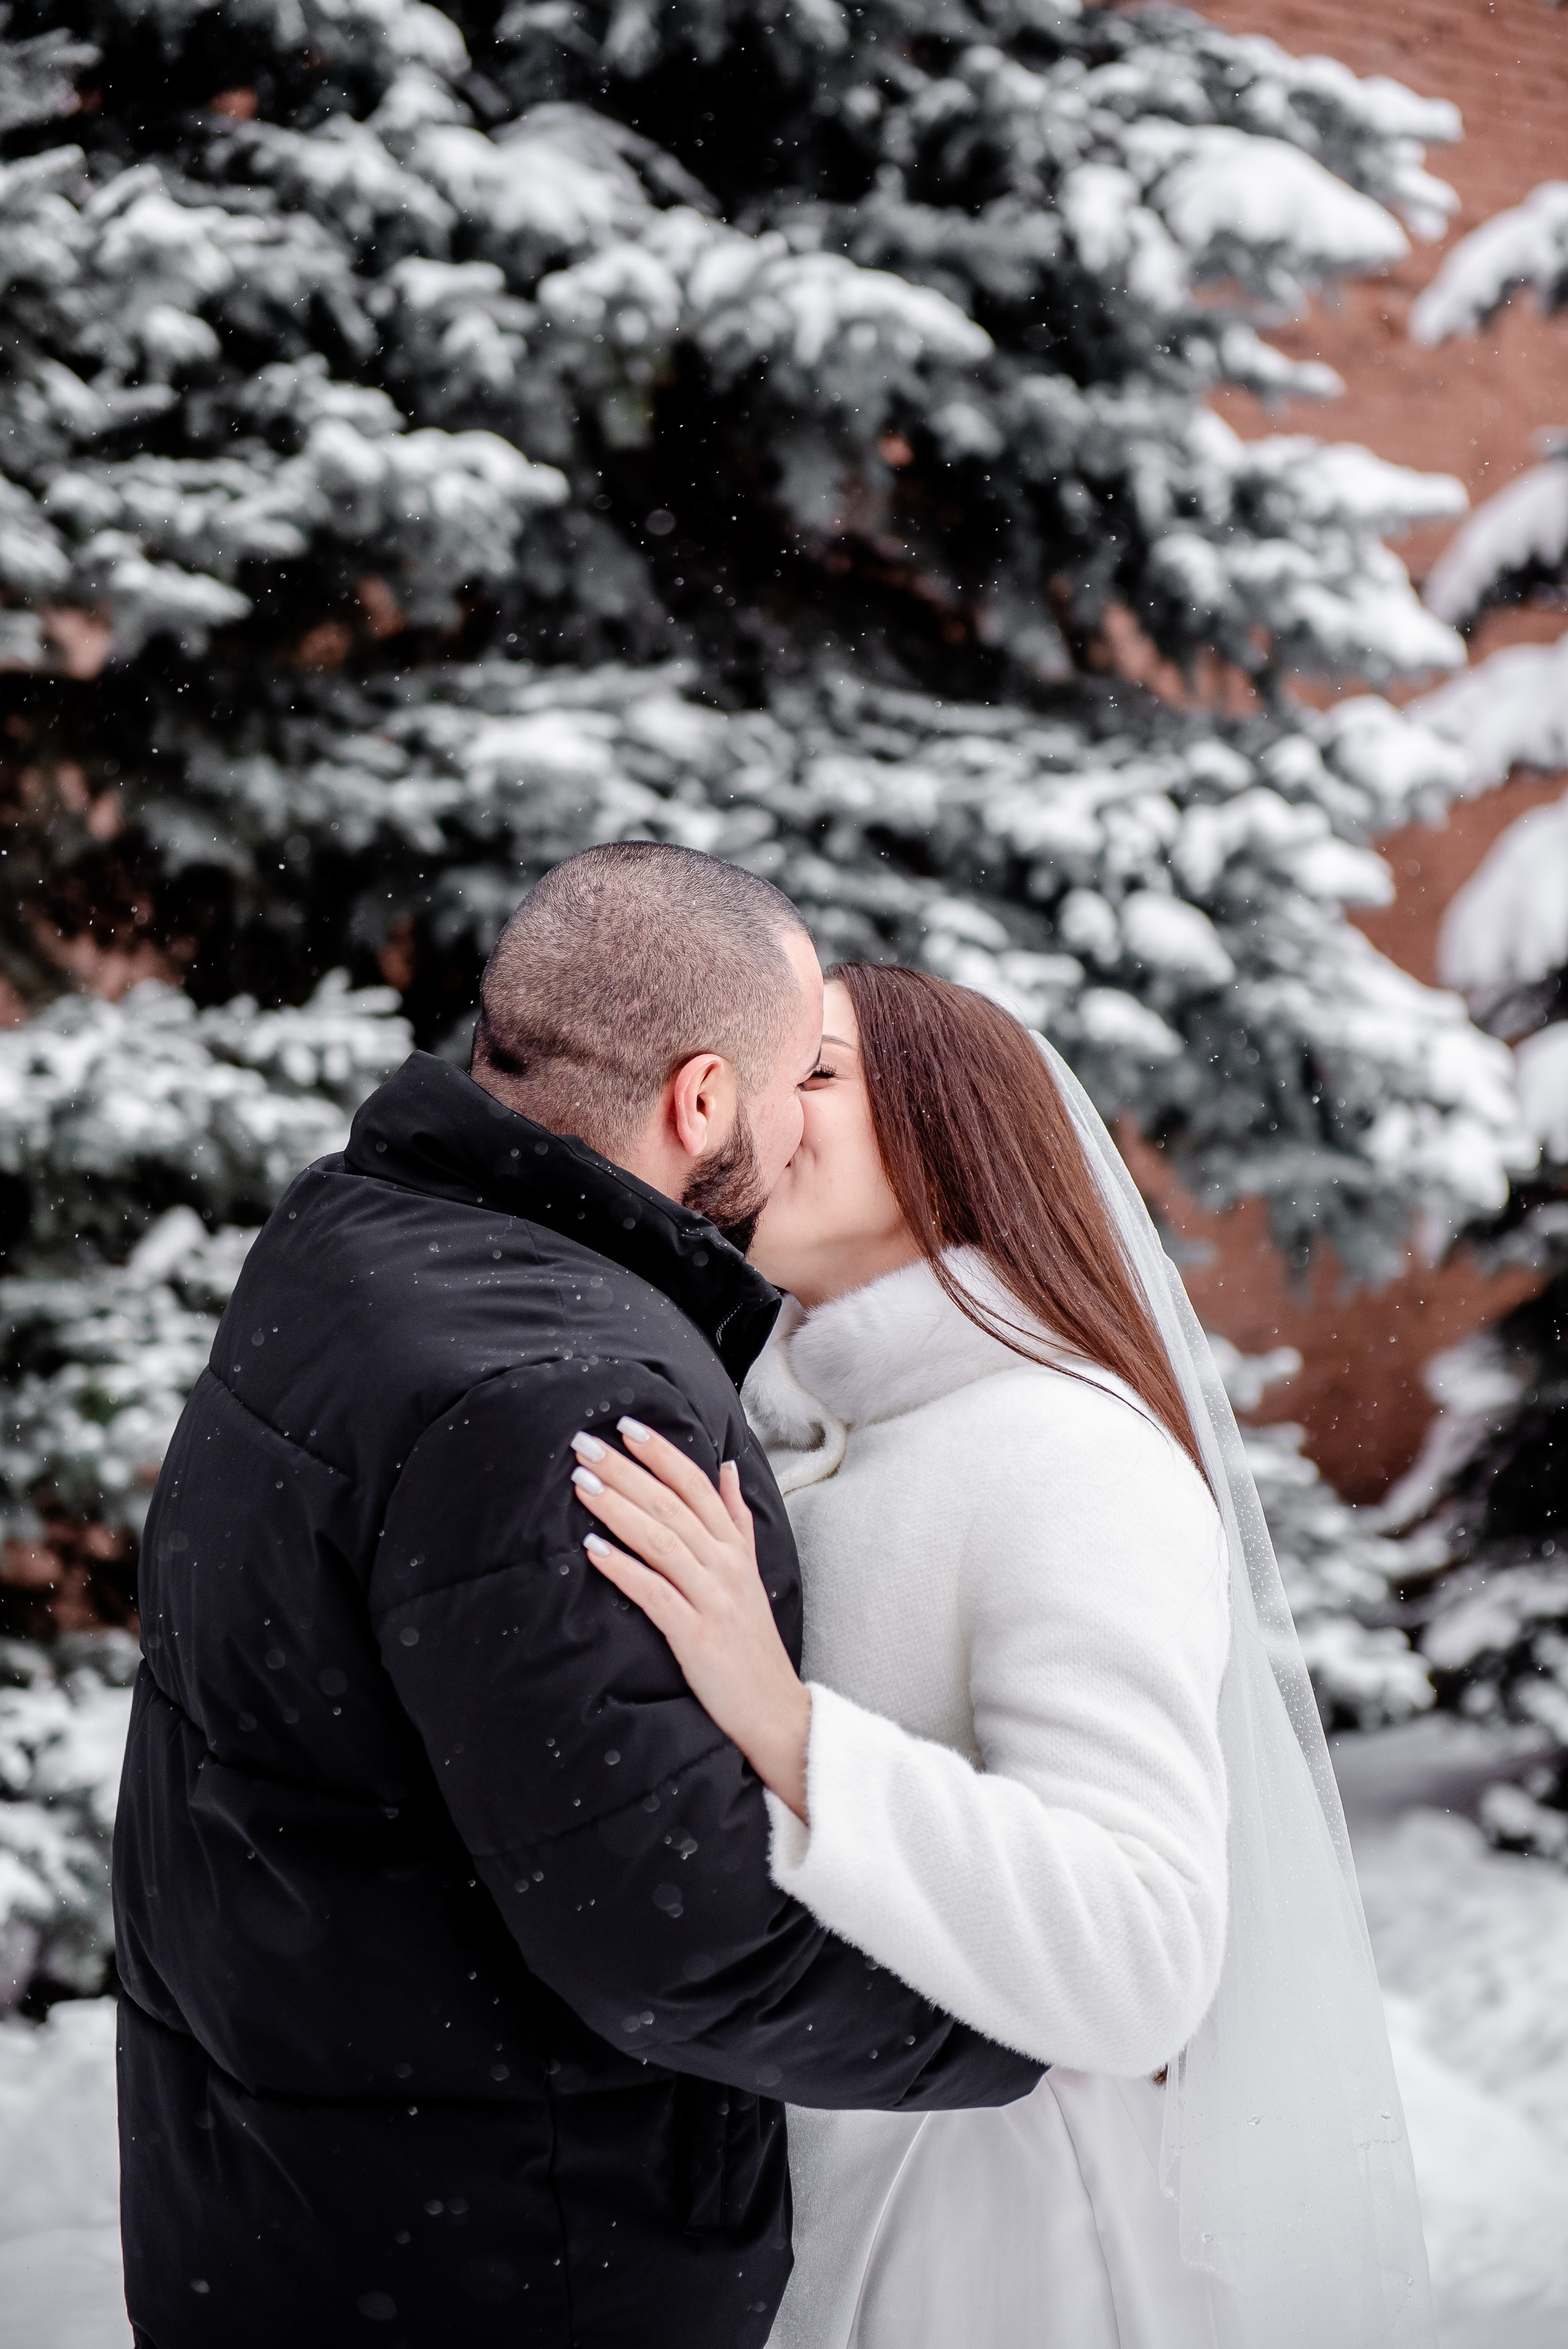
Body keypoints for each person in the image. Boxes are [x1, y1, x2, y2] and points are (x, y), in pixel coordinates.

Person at [113, 851, 1042, 2349]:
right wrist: (1021, 2029)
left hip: (290, 2185)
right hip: (517, 2252)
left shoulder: (359, 1229)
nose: (814, 1116)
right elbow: (673, 1936)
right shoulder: (563, 1391)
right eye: (798, 1072)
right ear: (698, 1103)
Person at [574, 962, 1438, 2349]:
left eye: (817, 1071)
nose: (757, 1109)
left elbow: (1141, 1952)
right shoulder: (807, 1434)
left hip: (997, 2251)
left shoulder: (1067, 1451)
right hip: (820, 2212)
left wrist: (786, 1727)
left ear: (947, 1129)